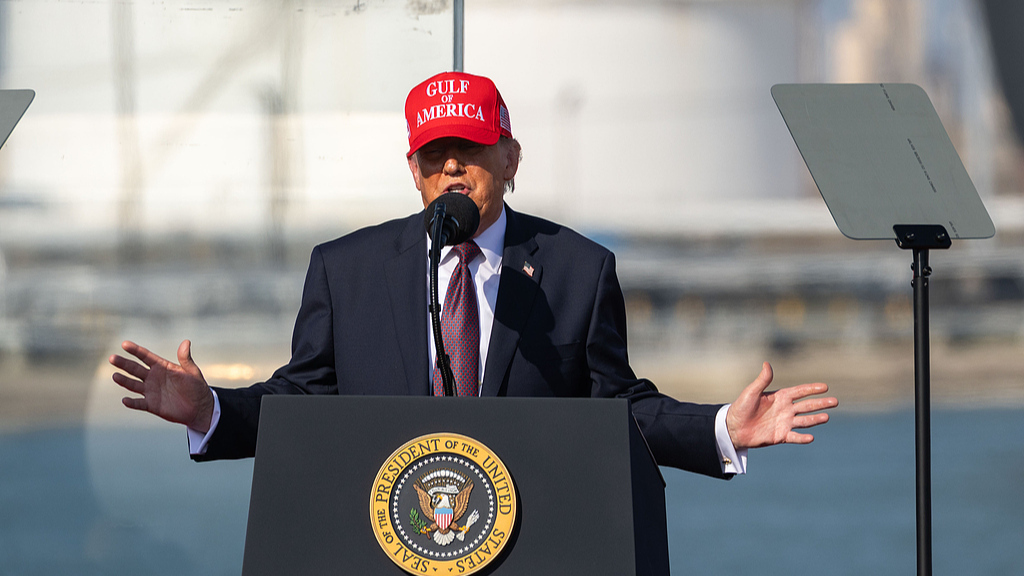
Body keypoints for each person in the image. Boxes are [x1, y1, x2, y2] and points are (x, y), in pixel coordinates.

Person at [109, 71, 837, 477]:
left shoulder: (579, 270)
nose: (452, 165)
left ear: (510, 160)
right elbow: (301, 402)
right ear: (414, 170)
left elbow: (619, 410)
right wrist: (209, 409)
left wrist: (720, 428)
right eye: (434, 154)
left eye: (471, 149)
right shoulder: (346, 270)